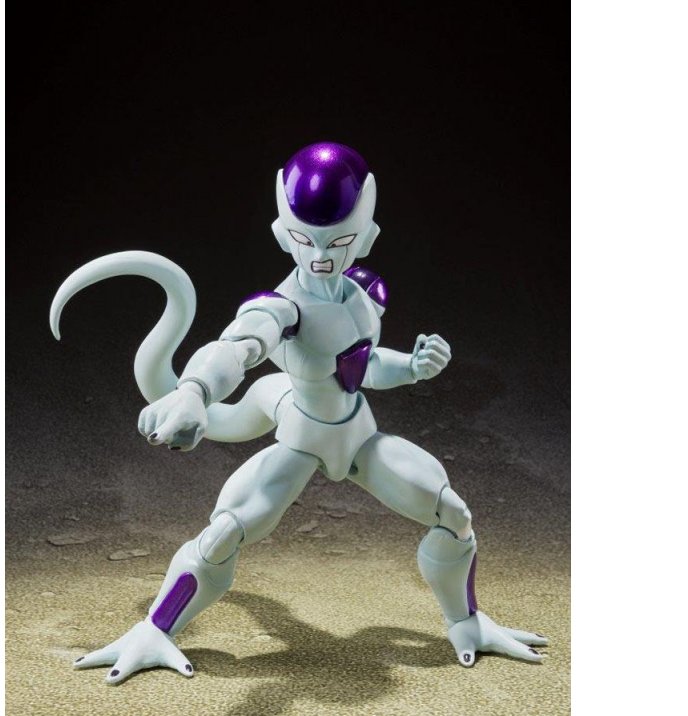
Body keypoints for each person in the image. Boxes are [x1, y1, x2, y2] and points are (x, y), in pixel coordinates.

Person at [50, 142, 547, 684]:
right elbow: (240, 346)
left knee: (454, 515)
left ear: (367, 235)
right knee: (223, 534)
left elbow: (361, 364)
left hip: (359, 435)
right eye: (307, 241)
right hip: (302, 436)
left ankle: (467, 622)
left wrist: (412, 367)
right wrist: (193, 390)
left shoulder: (364, 291)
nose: (322, 256)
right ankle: (154, 629)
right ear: (283, 234)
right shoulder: (281, 307)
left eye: (339, 241)